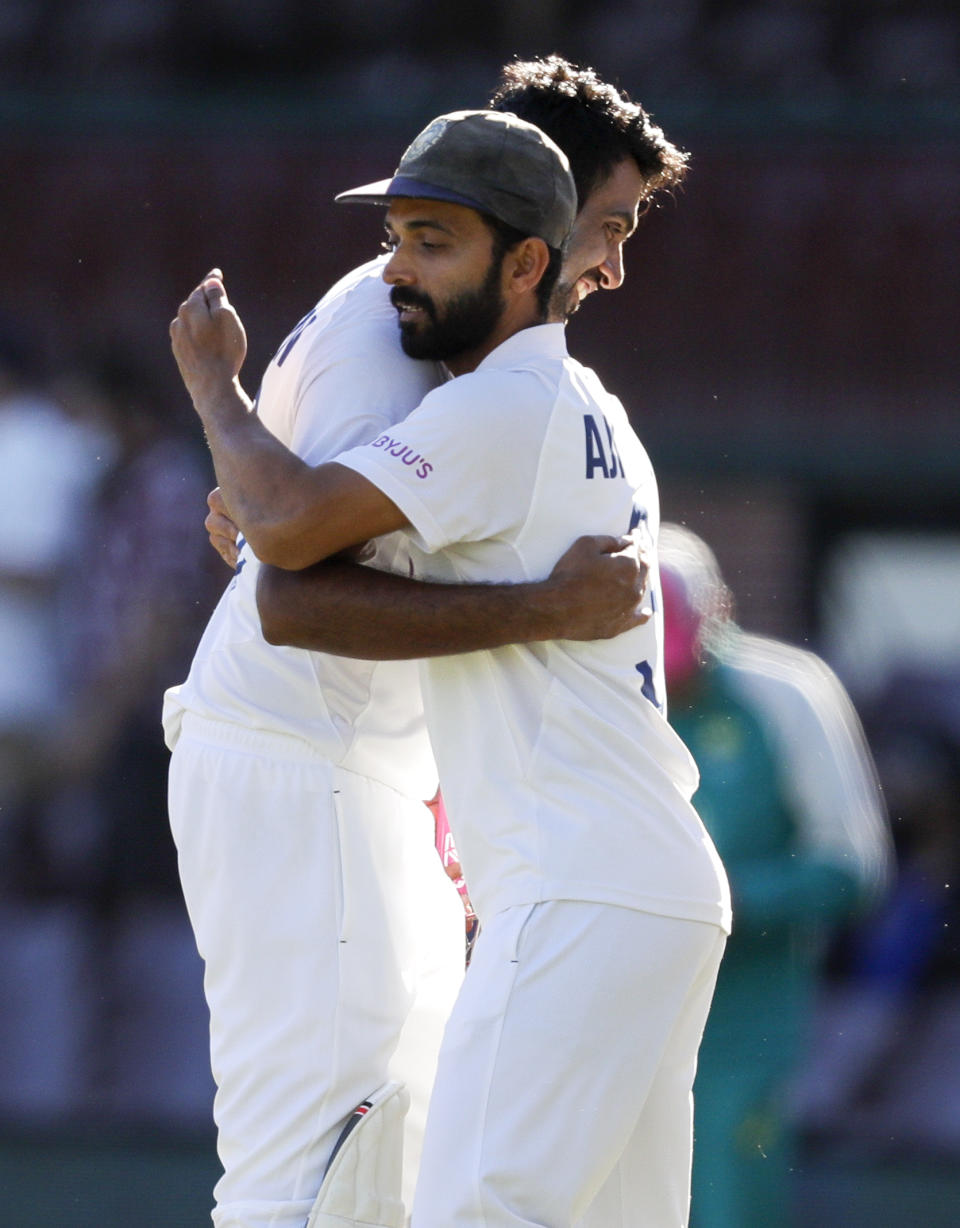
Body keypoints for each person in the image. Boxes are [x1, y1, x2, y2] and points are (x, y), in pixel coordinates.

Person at [171, 107, 730, 1228]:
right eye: (400, 238)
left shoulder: (496, 398)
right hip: (657, 888)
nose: (397, 272)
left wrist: (215, 390)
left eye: (432, 242)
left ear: (522, 255)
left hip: (562, 879)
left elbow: (286, 564)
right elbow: (283, 530)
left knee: (427, 1207)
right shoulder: (587, 405)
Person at [656, 522, 892, 1228]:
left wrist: (723, 898)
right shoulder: (599, 691)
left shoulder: (784, 694)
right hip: (620, 1012)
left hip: (741, 1027)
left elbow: (853, 867)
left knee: (729, 1204)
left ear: (717, 612)